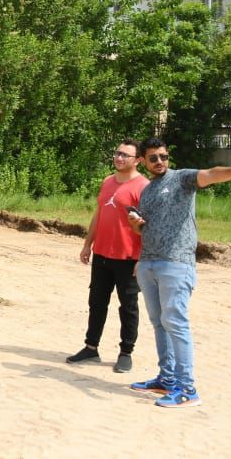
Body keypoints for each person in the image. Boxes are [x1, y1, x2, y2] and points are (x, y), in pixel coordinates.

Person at [127, 137, 231, 408]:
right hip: (148, 263)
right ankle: (166, 379)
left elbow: (212, 174)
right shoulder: (147, 190)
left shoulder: (182, 179)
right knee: (159, 323)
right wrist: (135, 223)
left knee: (176, 323)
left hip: (175, 264)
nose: (160, 162)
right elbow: (143, 229)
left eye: (163, 156)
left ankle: (188, 389)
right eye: (153, 158)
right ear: (142, 161)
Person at [66, 139, 148, 373]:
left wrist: (142, 258)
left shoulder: (143, 187)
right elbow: (99, 214)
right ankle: (91, 348)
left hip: (129, 258)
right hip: (102, 254)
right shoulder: (107, 182)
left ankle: (125, 353)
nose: (119, 158)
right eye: (117, 153)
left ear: (138, 160)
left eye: (125, 155)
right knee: (97, 303)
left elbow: (147, 226)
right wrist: (87, 245)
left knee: (128, 307)